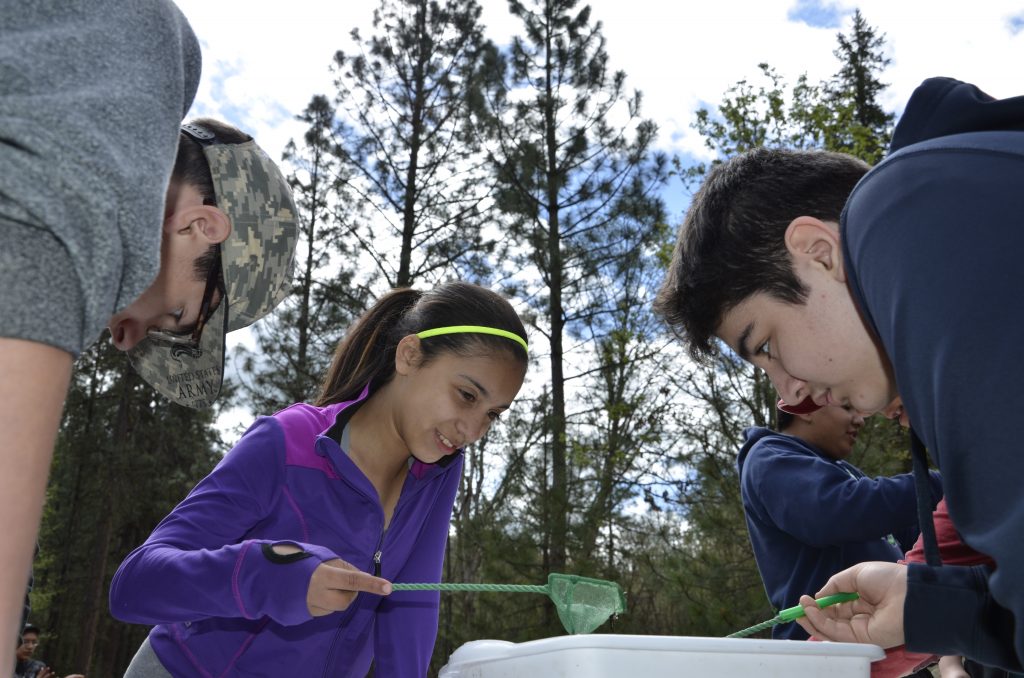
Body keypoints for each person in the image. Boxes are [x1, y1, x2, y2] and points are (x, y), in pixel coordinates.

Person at [653, 76, 1024, 670]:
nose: (790, 390)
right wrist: (936, 607)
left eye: (766, 344)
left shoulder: (922, 223)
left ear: (819, 252)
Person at [1, 3, 300, 667]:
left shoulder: (115, 47)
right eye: (175, 318)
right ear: (201, 226)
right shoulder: (80, 204)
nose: (127, 339)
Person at [109, 282, 529, 677]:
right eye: (467, 396)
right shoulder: (287, 442)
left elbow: (410, 607)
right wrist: (264, 575)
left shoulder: (438, 472)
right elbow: (135, 585)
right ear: (409, 356)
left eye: (492, 414)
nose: (473, 431)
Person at [738, 402, 939, 642]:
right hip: (823, 648)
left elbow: (904, 535)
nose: (860, 420)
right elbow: (838, 512)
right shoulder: (769, 456)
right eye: (847, 407)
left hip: (878, 639)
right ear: (806, 407)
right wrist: (936, 485)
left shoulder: (842, 472)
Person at [13, 624, 85, 678]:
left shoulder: (38, 667)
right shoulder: (6, 666)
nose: (30, 647)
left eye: (34, 642)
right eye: (25, 642)